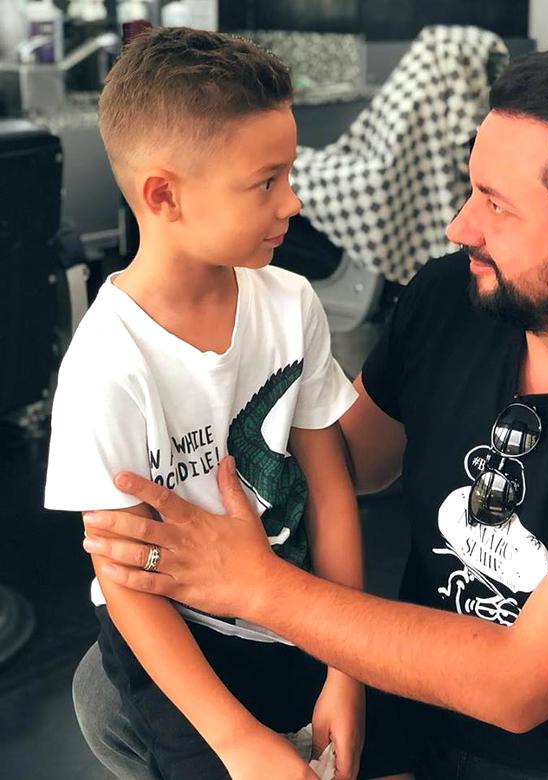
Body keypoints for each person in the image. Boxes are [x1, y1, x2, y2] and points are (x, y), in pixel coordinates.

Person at [78, 50, 548, 780]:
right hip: (414, 705)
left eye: (496, 205)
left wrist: (253, 582)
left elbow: (517, 684)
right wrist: (197, 387)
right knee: (112, 690)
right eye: (470, 189)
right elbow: (352, 461)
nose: (458, 226)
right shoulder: (455, 297)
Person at [45, 26, 411, 780]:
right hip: (178, 641)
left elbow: (331, 487)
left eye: (289, 174)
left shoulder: (290, 303)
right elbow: (124, 576)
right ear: (164, 196)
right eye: (266, 182)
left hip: (295, 609)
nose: (293, 202)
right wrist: (236, 740)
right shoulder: (108, 363)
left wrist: (346, 670)